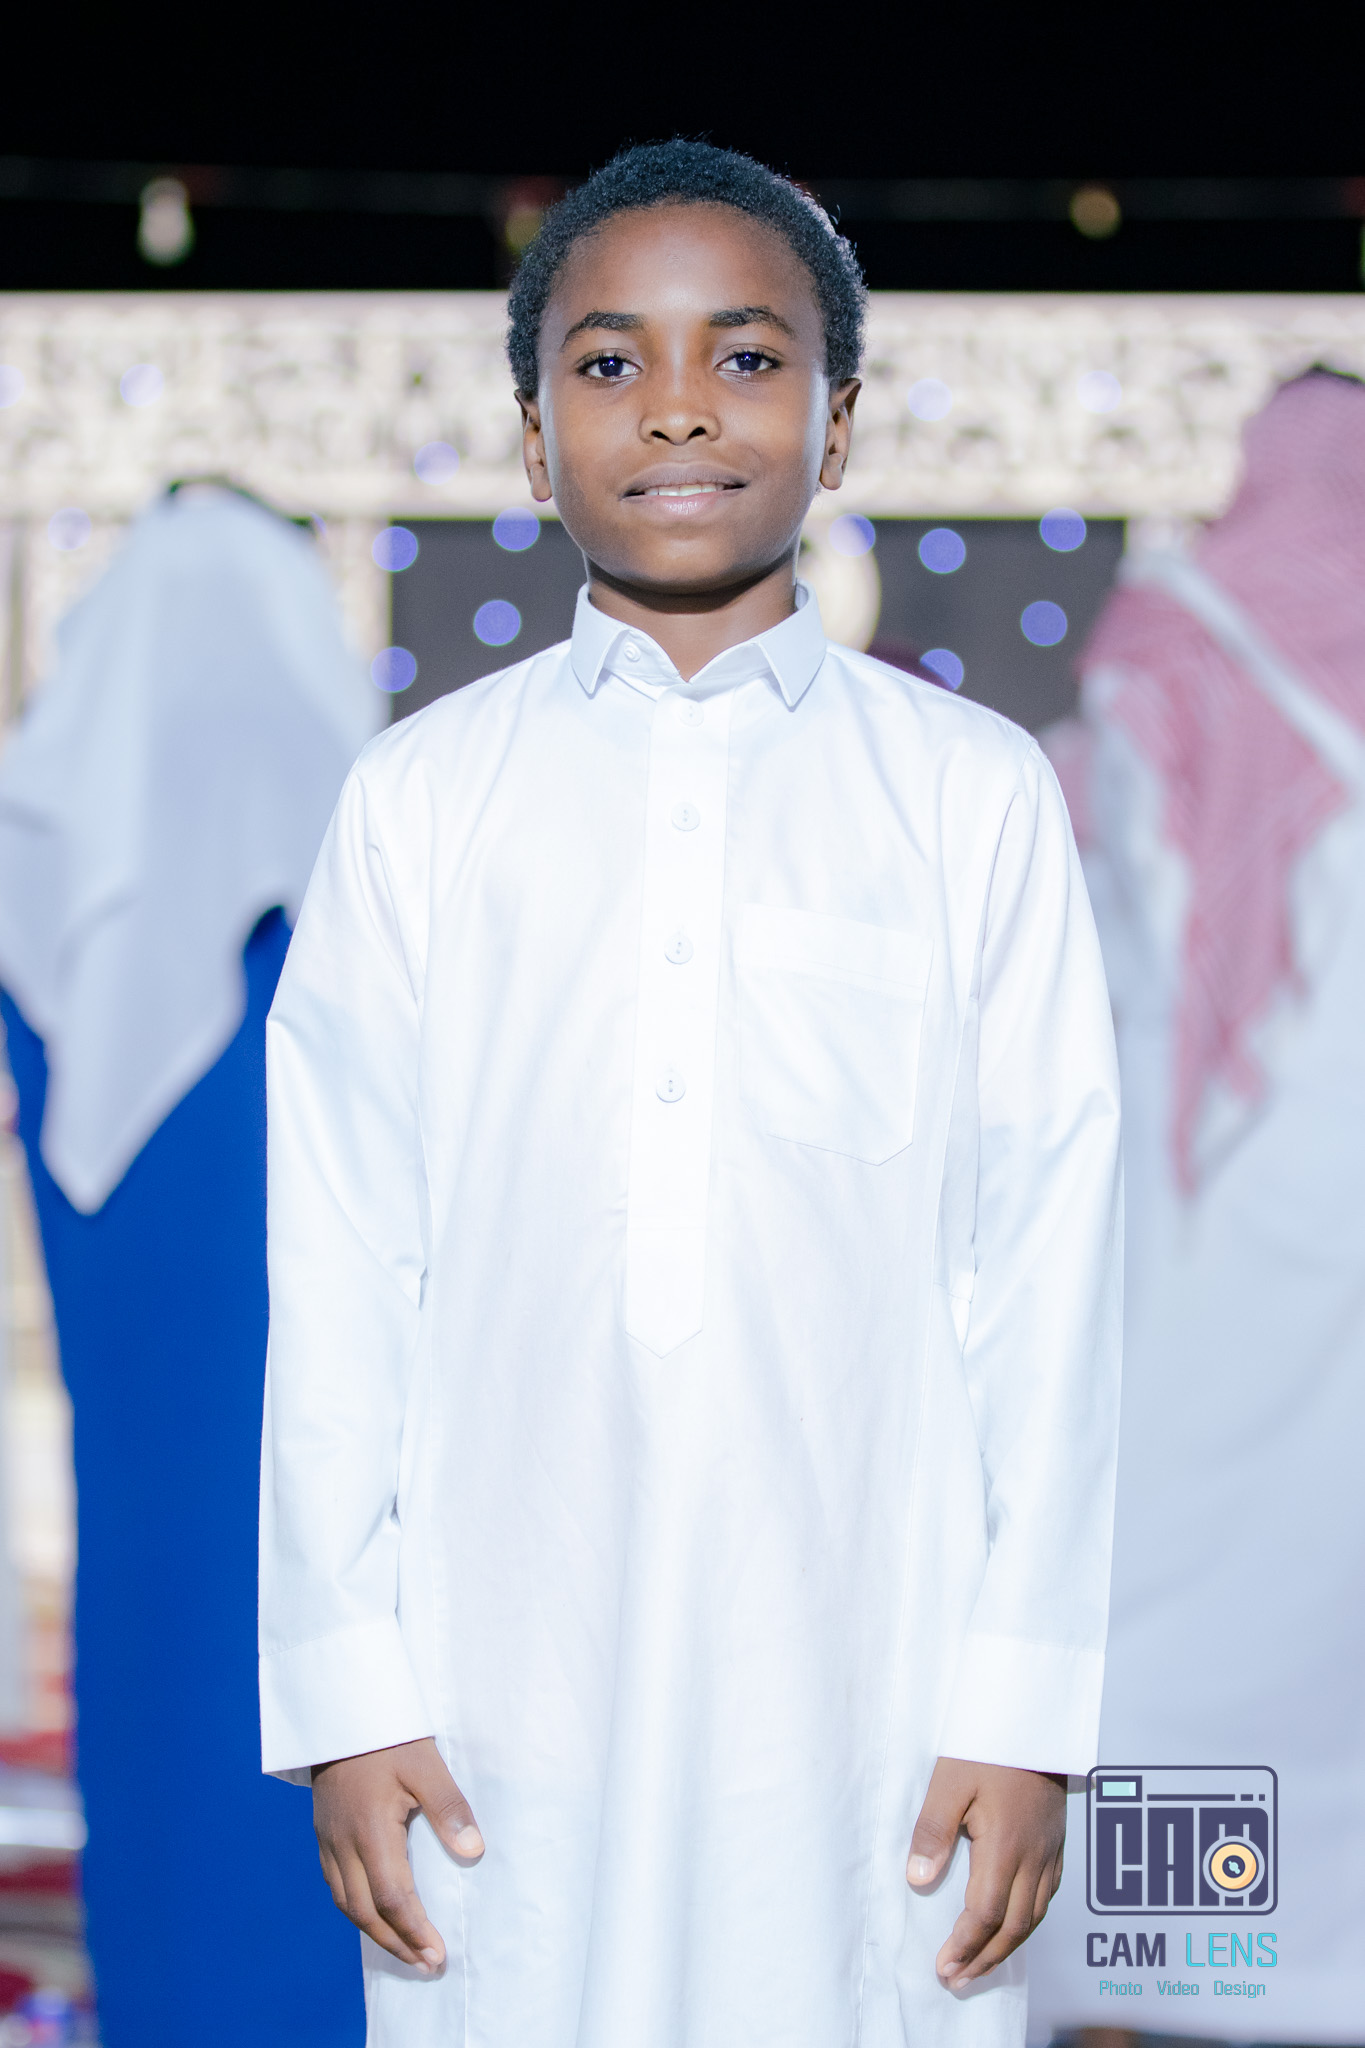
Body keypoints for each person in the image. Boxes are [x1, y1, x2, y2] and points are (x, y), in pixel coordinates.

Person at [260, 140, 1123, 2048]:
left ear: (837, 427)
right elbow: (342, 1271)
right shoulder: (420, 802)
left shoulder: (968, 797)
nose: (674, 408)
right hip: (498, 1682)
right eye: (606, 362)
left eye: (742, 358)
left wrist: (1024, 1708)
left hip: (873, 1679)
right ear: (530, 435)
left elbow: (1047, 1278)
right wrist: (345, 1693)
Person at [0, 485, 381, 2047]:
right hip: (361, 1513)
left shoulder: (48, 899)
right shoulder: (381, 895)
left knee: (164, 1745)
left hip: (144, 1523)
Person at [1026, 368, 1365, 2044]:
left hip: (1204, 1189)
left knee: (1165, 1595)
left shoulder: (1172, 634)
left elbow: (1113, 905)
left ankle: (1171, 1967)